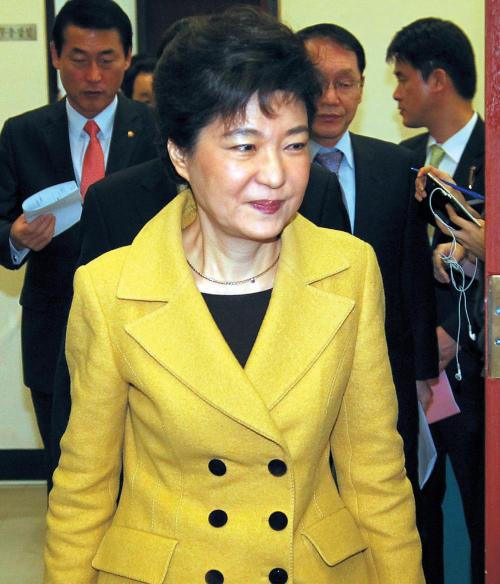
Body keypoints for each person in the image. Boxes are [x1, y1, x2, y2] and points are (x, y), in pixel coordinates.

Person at [44, 8, 423, 583]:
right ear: (180, 153)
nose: (275, 174)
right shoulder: (111, 291)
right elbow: (82, 492)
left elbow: (376, 477)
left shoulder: (348, 271)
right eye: (244, 147)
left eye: (294, 145)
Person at [0, 0, 157, 488]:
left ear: (127, 59)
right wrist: (15, 237)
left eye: (106, 59)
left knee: (142, 469)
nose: (92, 74)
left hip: (142, 320)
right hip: (55, 324)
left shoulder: (156, 130)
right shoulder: (22, 133)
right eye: (78, 58)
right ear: (54, 55)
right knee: (66, 471)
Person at [297, 23, 438, 499]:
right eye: (316, 82)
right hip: (299, 376)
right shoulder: (270, 173)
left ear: (361, 87)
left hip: (386, 371)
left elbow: (412, 275)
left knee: (396, 505)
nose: (330, 97)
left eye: (345, 82)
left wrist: (423, 376)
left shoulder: (395, 166)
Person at [387, 19, 484, 584]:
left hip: (473, 377)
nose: (396, 93)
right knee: (413, 521)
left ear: (438, 80)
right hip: (414, 375)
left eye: (402, 79)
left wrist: (453, 331)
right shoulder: (399, 162)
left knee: (483, 521)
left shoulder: (493, 153)